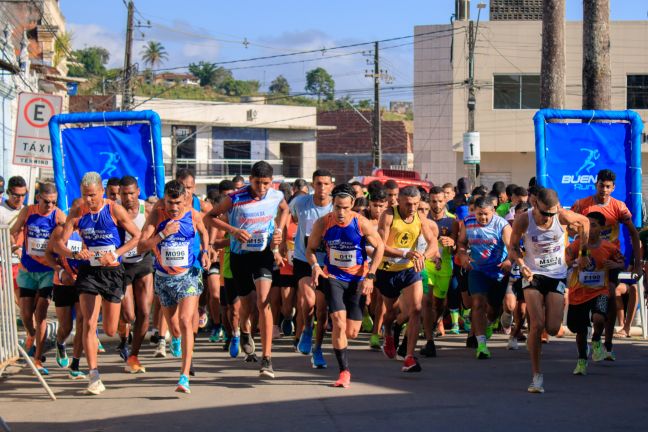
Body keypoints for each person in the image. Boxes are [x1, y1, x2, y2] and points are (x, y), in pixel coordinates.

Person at [57, 172, 141, 395]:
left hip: (112, 272)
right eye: (85, 196)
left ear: (101, 192)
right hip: (89, 272)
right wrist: (75, 253)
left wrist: (115, 254)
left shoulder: (114, 209)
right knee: (88, 323)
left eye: (93, 195)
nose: (89, 200)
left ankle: (119, 331)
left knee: (111, 329)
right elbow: (60, 244)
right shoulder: (77, 212)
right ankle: (93, 376)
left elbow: (137, 236)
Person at [207, 161, 290, 378]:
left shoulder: (275, 195)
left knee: (264, 302)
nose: (261, 188)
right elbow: (209, 217)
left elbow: (285, 210)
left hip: (262, 255)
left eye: (266, 183)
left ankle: (267, 359)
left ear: (271, 182)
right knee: (247, 304)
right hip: (239, 257)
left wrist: (279, 230)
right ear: (250, 179)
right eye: (257, 183)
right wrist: (233, 230)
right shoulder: (235, 198)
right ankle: (244, 331)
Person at [509, 188, 590, 393]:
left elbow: (586, 223)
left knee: (553, 328)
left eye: (552, 214)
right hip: (533, 275)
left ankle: (545, 317)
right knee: (536, 325)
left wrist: (584, 253)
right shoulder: (523, 220)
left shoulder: (562, 216)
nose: (549, 218)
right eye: (545, 214)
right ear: (535, 204)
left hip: (556, 274)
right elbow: (512, 247)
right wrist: (521, 263)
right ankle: (537, 376)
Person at [307, 184, 384, 388]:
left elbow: (380, 247)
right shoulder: (323, 223)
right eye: (337, 207)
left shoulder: (362, 223)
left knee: (351, 332)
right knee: (339, 323)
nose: (341, 212)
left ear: (352, 205)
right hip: (333, 276)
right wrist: (315, 265)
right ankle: (344, 372)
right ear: (332, 205)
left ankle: (340, 346)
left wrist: (371, 275)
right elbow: (310, 249)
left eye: (345, 208)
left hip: (357, 280)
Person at [138, 180, 210, 393]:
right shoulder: (156, 215)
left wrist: (205, 252)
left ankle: (184, 376)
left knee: (186, 321)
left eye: (178, 202)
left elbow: (204, 232)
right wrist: (163, 234)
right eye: (170, 202)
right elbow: (141, 246)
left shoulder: (192, 214)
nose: (174, 207)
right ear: (165, 199)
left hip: (188, 275)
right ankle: (175, 338)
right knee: (174, 326)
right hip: (164, 277)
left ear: (185, 199)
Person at [571, 169, 641, 359]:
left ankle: (605, 343)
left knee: (609, 294)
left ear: (613, 188)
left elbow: (634, 233)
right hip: (587, 258)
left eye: (608, 187)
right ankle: (588, 336)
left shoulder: (618, 206)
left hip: (610, 259)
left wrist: (637, 264)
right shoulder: (582, 204)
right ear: (596, 185)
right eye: (601, 185)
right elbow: (568, 228)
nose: (604, 190)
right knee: (583, 299)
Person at [377, 186, 438, 372]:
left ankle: (409, 357)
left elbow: (433, 243)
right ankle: (388, 332)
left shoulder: (420, 219)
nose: (412, 208)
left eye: (416, 204)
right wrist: (405, 252)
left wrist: (423, 257)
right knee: (391, 314)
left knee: (416, 309)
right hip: (387, 270)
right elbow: (380, 246)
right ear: (399, 201)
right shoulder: (388, 215)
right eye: (408, 204)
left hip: (409, 270)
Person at [10, 182, 66, 374]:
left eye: (53, 202)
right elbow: (13, 231)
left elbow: (69, 235)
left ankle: (38, 358)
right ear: (38, 198)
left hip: (48, 271)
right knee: (26, 314)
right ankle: (32, 336)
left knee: (40, 313)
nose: (49, 205)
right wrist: (15, 247)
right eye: (46, 201)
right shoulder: (28, 211)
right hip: (27, 269)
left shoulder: (58, 214)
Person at [566, 211, 624, 376]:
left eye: (594, 225)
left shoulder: (609, 247)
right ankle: (582, 361)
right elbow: (567, 259)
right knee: (580, 330)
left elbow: (621, 262)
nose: (589, 229)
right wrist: (576, 262)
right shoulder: (577, 245)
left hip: (600, 290)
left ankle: (597, 339)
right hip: (579, 292)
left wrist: (614, 264)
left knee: (599, 318)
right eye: (586, 225)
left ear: (602, 228)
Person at [457, 196, 512, 360]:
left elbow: (512, 247)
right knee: (478, 304)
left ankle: (490, 322)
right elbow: (461, 243)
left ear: (493, 211)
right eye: (480, 214)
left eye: (486, 214)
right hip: (477, 270)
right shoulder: (467, 222)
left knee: (493, 309)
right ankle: (481, 345)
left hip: (498, 272)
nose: (483, 218)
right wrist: (463, 255)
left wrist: (509, 260)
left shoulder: (502, 225)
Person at [291, 170, 334, 367]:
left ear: (331, 186)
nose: (322, 187)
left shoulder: (337, 207)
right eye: (318, 183)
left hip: (329, 263)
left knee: (322, 310)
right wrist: (282, 241)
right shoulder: (301, 203)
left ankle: (318, 349)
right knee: (308, 300)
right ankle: (307, 328)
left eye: (326, 183)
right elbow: (288, 217)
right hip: (304, 259)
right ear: (312, 185)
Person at [118, 176, 153, 373]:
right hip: (122, 266)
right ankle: (124, 339)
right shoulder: (115, 210)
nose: (128, 197)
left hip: (143, 262)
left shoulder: (146, 208)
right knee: (129, 314)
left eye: (131, 193)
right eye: (124, 193)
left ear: (138, 192)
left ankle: (134, 355)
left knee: (145, 312)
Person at [45, 225, 86, 379]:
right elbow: (48, 254)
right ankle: (60, 343)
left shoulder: (89, 230)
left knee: (82, 321)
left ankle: (75, 365)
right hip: (62, 283)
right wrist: (61, 271)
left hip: (83, 282)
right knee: (66, 327)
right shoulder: (60, 230)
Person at [421, 187, 458, 357]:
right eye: (433, 201)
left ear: (445, 201)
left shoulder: (453, 221)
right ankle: (429, 339)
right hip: (425, 266)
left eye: (440, 201)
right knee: (427, 302)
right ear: (429, 201)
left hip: (444, 268)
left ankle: (436, 322)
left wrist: (453, 242)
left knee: (439, 304)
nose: (436, 205)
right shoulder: (422, 218)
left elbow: (458, 246)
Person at [1, 176, 27, 303]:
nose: (20, 199)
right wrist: (12, 245)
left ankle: (30, 322)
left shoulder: (26, 210)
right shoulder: (1, 210)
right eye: (16, 195)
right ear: (8, 192)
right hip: (2, 260)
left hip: (19, 261)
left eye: (23, 195)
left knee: (22, 299)